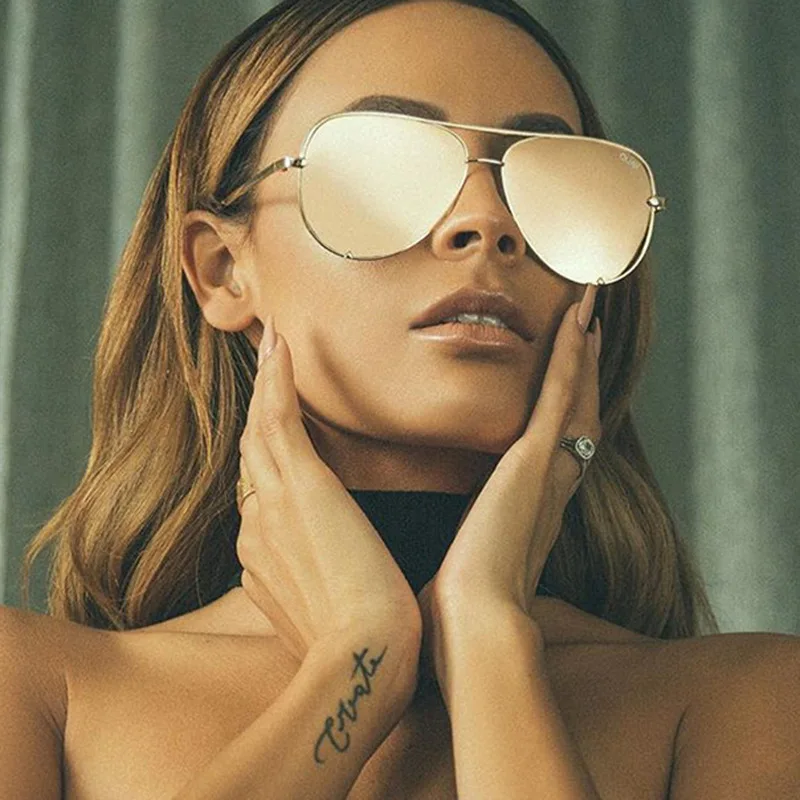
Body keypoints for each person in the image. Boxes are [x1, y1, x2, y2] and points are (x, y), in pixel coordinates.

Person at [4, 0, 798, 797]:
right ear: (221, 270)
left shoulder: (747, 704)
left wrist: (488, 635)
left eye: (552, 180)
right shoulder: (42, 692)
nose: (487, 222)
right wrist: (360, 658)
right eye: (383, 167)